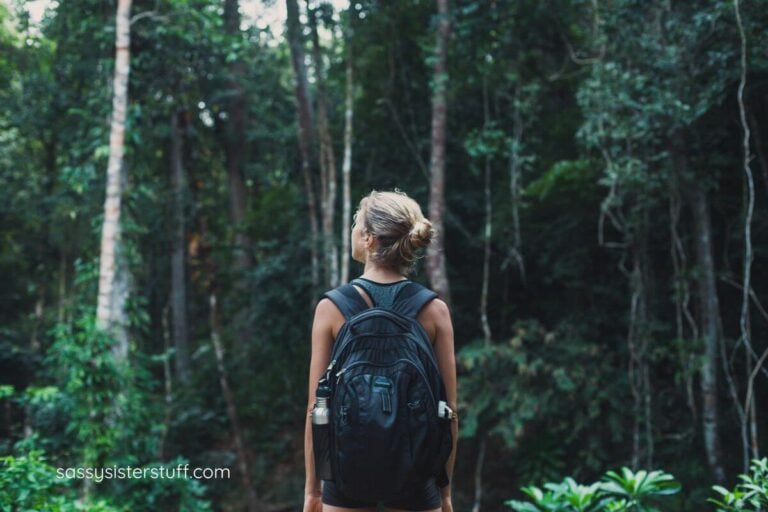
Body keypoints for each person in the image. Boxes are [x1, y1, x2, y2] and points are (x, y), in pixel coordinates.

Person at [303, 189, 458, 512]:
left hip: (346, 474)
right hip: (418, 476)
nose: (353, 231)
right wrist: (443, 494)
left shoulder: (331, 308)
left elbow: (316, 409)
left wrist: (313, 491)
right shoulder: (434, 311)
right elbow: (448, 411)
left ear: (370, 239)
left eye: (356, 223)